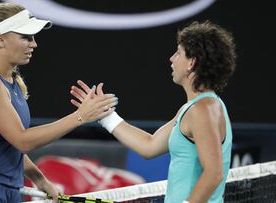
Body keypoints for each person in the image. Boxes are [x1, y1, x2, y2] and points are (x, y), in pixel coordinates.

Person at [0, 2, 118, 203]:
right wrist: (80, 116)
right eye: (25, 37)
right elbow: (23, 140)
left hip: (9, 192)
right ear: (0, 40)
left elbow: (9, 147)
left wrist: (40, 179)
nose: (34, 44)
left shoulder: (12, 83)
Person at [70, 21, 236, 203]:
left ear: (192, 63)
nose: (172, 59)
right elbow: (149, 146)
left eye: (178, 53)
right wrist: (107, 116)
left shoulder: (203, 109)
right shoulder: (194, 108)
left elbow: (213, 173)